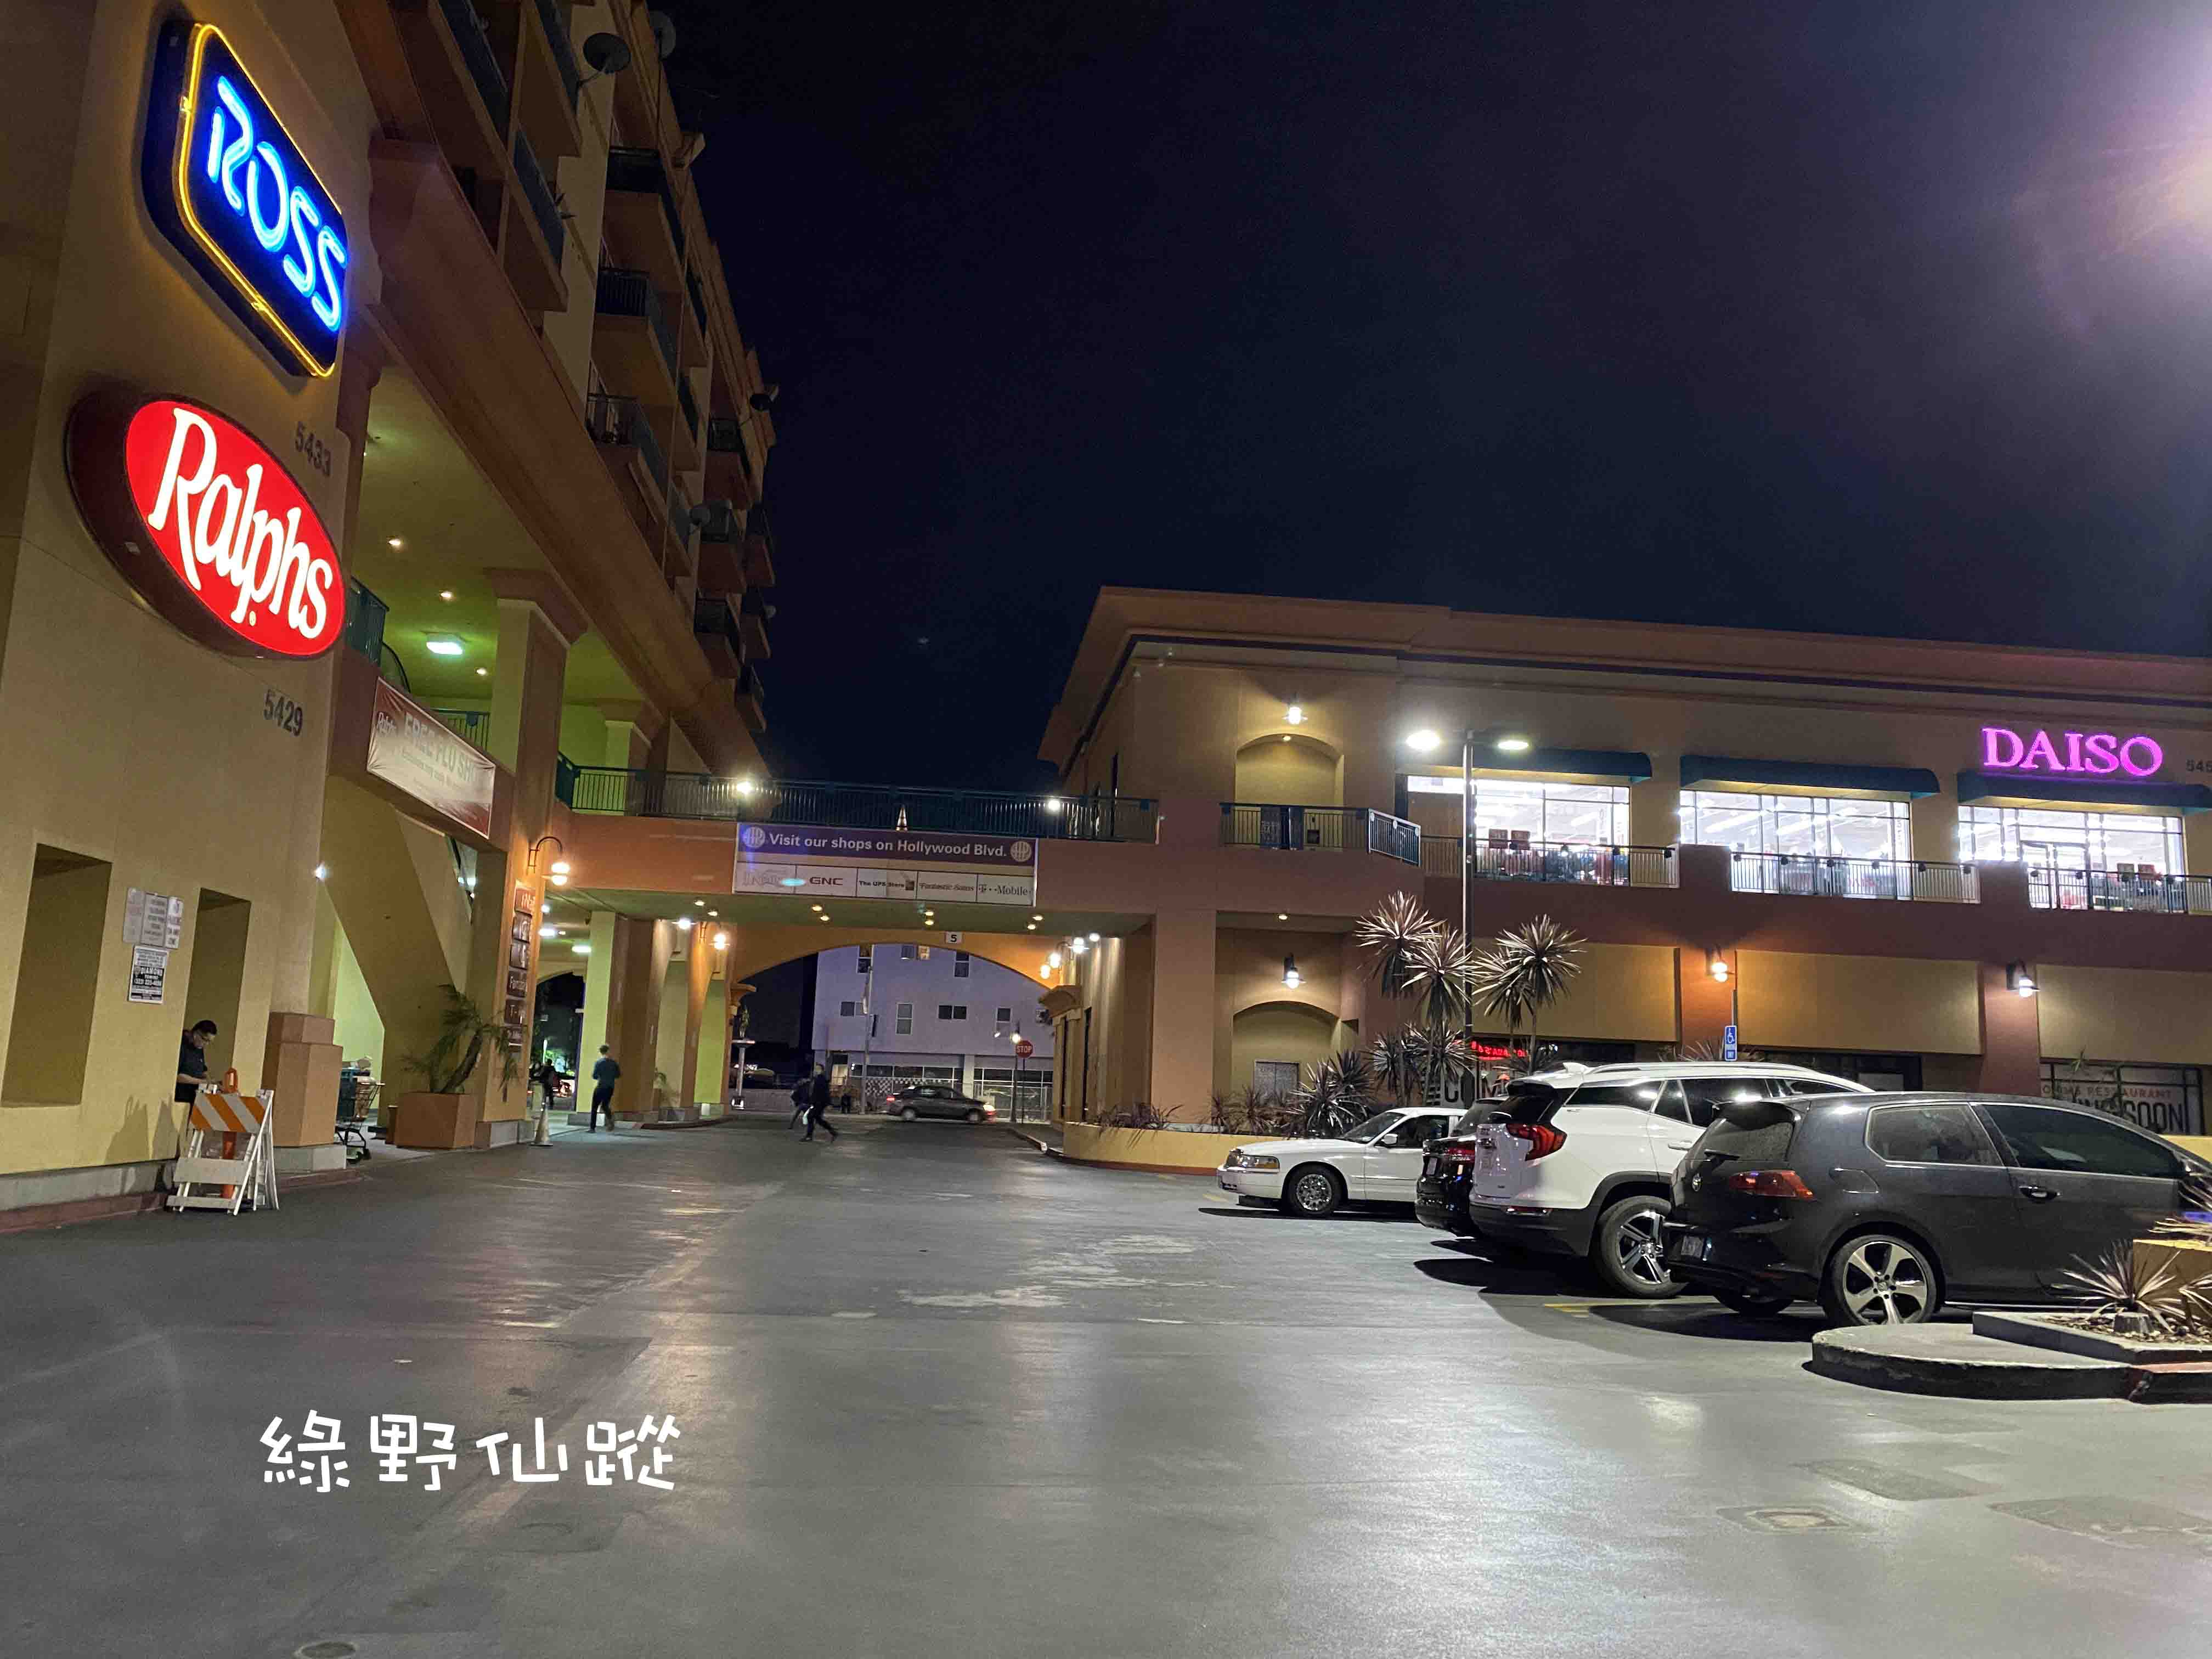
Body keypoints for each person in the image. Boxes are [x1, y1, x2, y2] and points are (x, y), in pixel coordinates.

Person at [175, 1019, 218, 1104]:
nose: (206, 1044)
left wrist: (212, 1083)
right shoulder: (181, 1044)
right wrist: (203, 1082)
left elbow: (203, 1070)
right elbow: (177, 1076)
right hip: (180, 1097)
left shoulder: (198, 1046)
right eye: (205, 1040)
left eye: (209, 1042)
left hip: (195, 1097)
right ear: (196, 1034)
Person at [800, 1068, 839, 1141]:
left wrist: (829, 1103)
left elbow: (826, 1092)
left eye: (818, 1069)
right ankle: (833, 1132)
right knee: (818, 1119)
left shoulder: (822, 1079)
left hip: (820, 1103)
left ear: (822, 1071)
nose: (815, 1071)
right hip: (816, 1103)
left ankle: (809, 1136)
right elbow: (813, 1092)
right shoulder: (816, 1079)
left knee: (810, 1116)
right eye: (815, 1069)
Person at [589, 1045, 620, 1132]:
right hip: (610, 1087)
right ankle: (611, 1120)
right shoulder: (614, 1063)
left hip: (601, 1086)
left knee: (595, 1107)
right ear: (608, 1051)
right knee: (605, 1105)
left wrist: (601, 1076)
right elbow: (618, 1075)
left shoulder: (599, 1063)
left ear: (601, 1052)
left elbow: (595, 1076)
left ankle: (592, 1128)